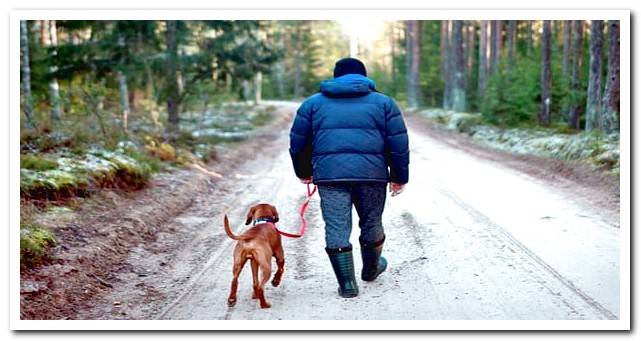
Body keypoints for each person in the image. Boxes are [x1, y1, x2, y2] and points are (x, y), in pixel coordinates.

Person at [289, 57, 409, 298]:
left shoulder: (312, 104)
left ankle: (347, 285)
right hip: (371, 175)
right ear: (364, 76)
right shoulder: (384, 103)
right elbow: (398, 144)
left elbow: (297, 143)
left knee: (336, 227)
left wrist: (304, 171)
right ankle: (371, 269)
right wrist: (399, 176)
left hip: (330, 177)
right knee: (372, 222)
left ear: (335, 76)